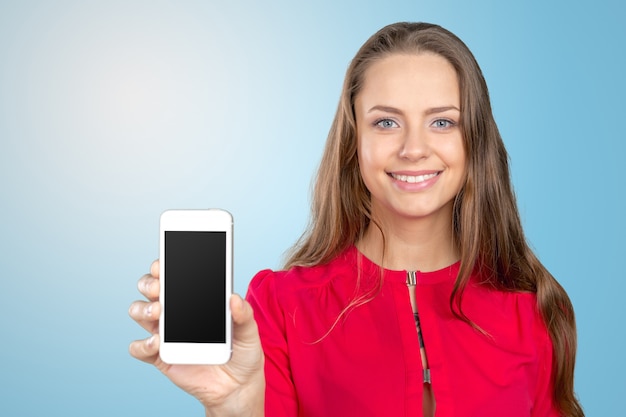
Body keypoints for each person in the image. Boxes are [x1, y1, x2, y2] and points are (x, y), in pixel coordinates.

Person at [129, 22, 584, 417]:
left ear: (475, 141)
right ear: (354, 141)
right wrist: (234, 405)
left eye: (442, 123)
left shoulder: (536, 311)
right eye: (386, 123)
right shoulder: (282, 307)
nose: (413, 148)